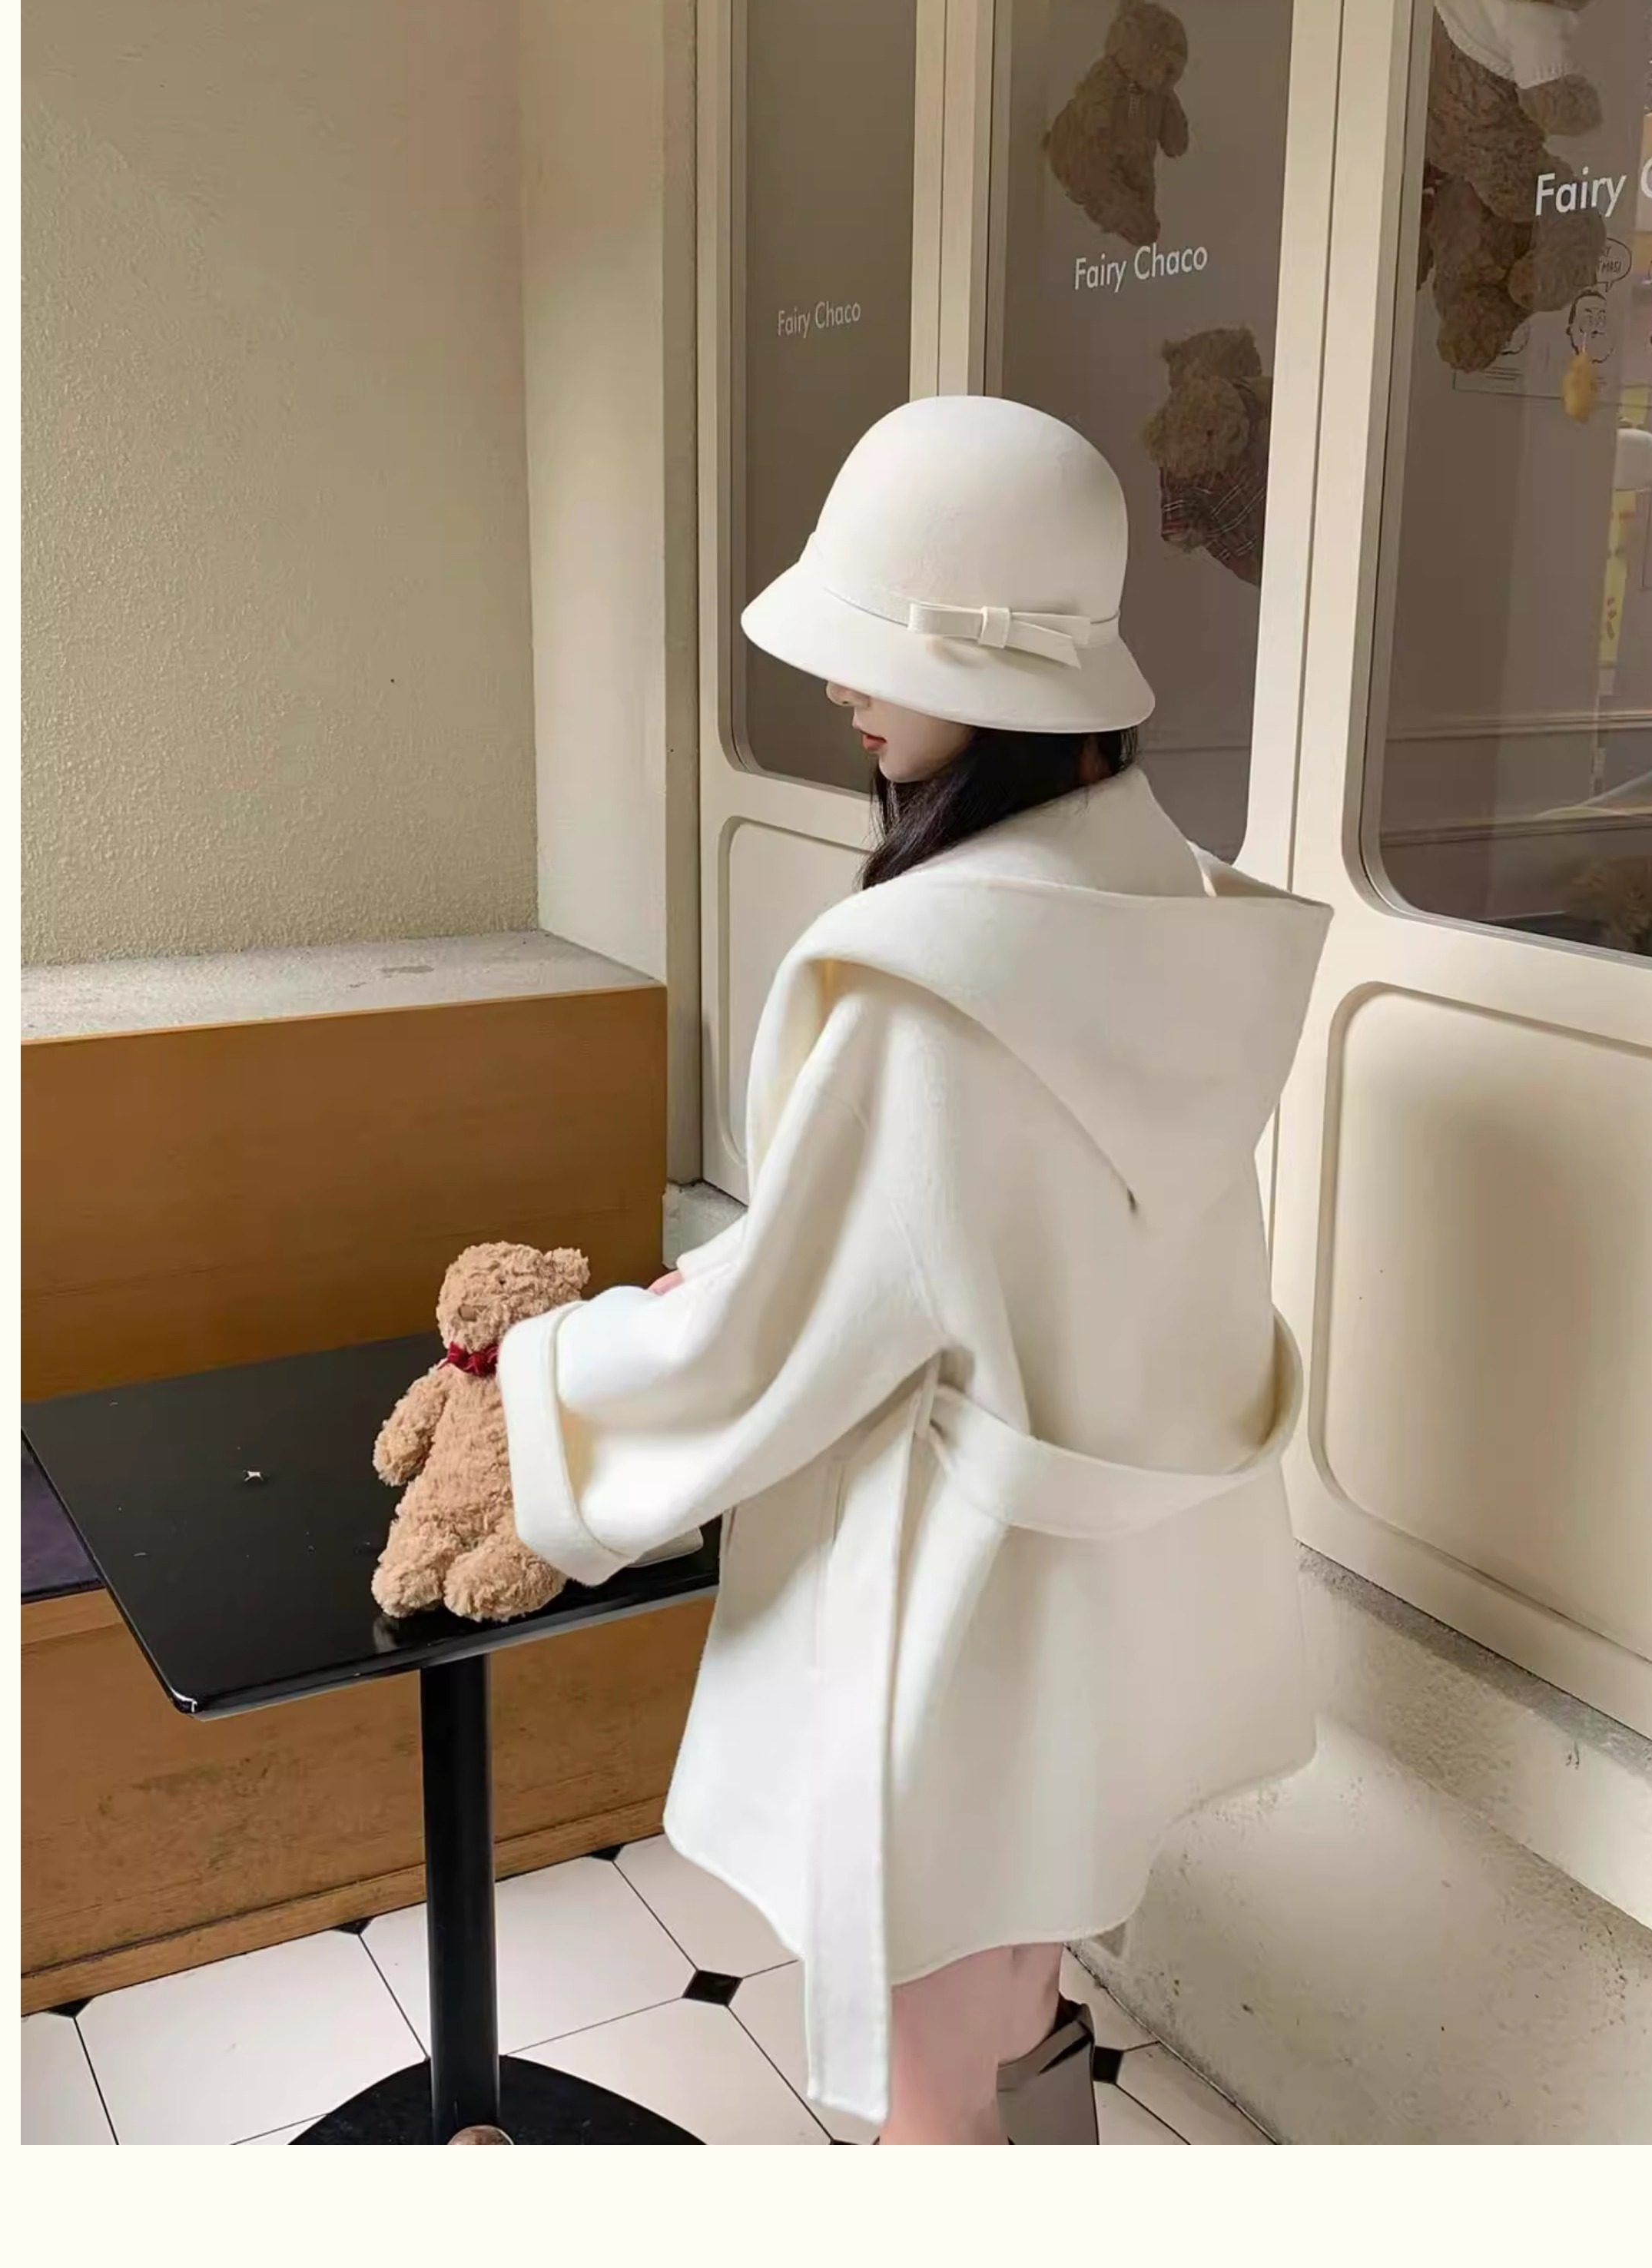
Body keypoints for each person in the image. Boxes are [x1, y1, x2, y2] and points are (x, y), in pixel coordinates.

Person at [498, 394, 1330, 2144]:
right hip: (1105, 1607)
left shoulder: (929, 985)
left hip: (951, 1629)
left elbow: (783, 1336)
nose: (836, 686)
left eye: (874, 644)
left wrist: (552, 1383)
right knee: (1014, 2000)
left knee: (931, 2096)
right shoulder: (1175, 926)